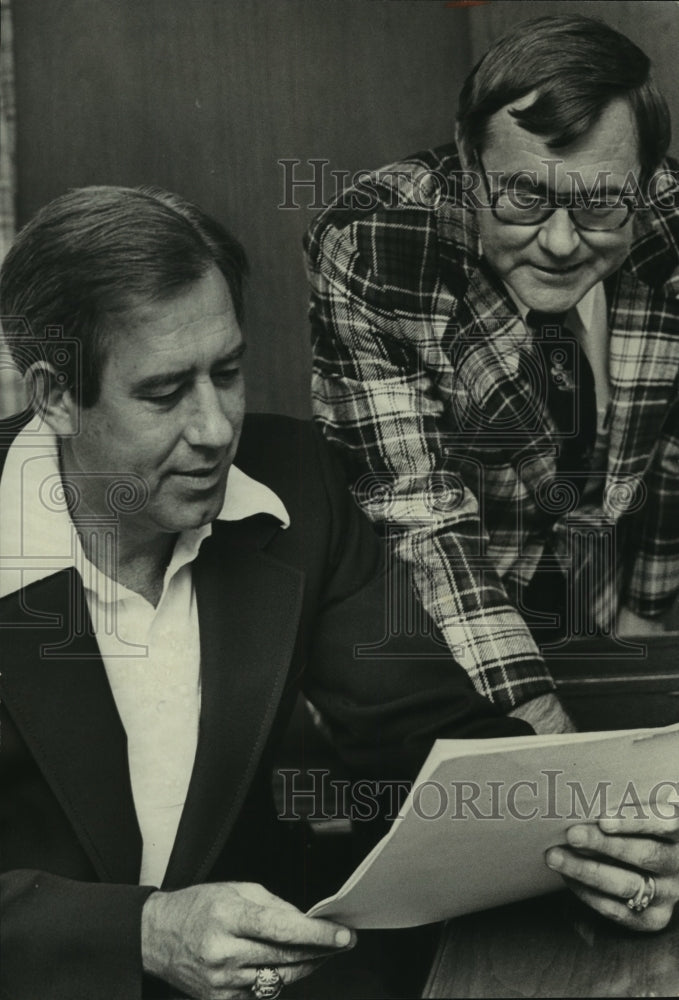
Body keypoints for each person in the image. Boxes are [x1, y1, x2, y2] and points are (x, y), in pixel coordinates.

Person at [1, 186, 677, 1000]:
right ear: (52, 397)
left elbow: (428, 741)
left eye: (227, 372)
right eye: (164, 393)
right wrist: (138, 932)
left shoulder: (295, 485)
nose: (216, 428)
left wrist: (603, 845)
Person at [305, 14, 679, 737]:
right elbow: (418, 512)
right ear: (465, 163)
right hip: (436, 624)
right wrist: (544, 744)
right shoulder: (374, 245)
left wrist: (644, 635)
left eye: (600, 203)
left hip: (604, 600)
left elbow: (672, 450)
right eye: (524, 198)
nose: (563, 244)